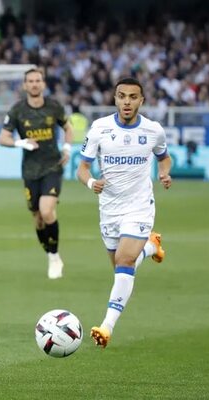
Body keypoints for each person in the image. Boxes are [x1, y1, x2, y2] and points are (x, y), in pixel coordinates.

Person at [77, 76, 172, 348]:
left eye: (133, 97)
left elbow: (164, 157)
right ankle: (151, 247)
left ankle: (106, 326)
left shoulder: (154, 130)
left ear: (142, 100)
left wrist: (164, 173)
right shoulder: (99, 129)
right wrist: (92, 182)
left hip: (139, 206)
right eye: (122, 96)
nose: (127, 102)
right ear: (115, 98)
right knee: (120, 266)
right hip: (109, 209)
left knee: (125, 262)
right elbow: (82, 168)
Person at [0, 67, 73, 279]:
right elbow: (3, 138)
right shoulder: (17, 110)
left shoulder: (54, 107)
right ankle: (50, 254)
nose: (34, 84)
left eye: (37, 80)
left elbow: (68, 128)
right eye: (30, 81)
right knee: (38, 218)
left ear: (43, 84)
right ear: (25, 85)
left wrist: (67, 148)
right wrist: (21, 142)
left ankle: (54, 257)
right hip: (30, 171)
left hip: (52, 166)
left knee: (47, 210)